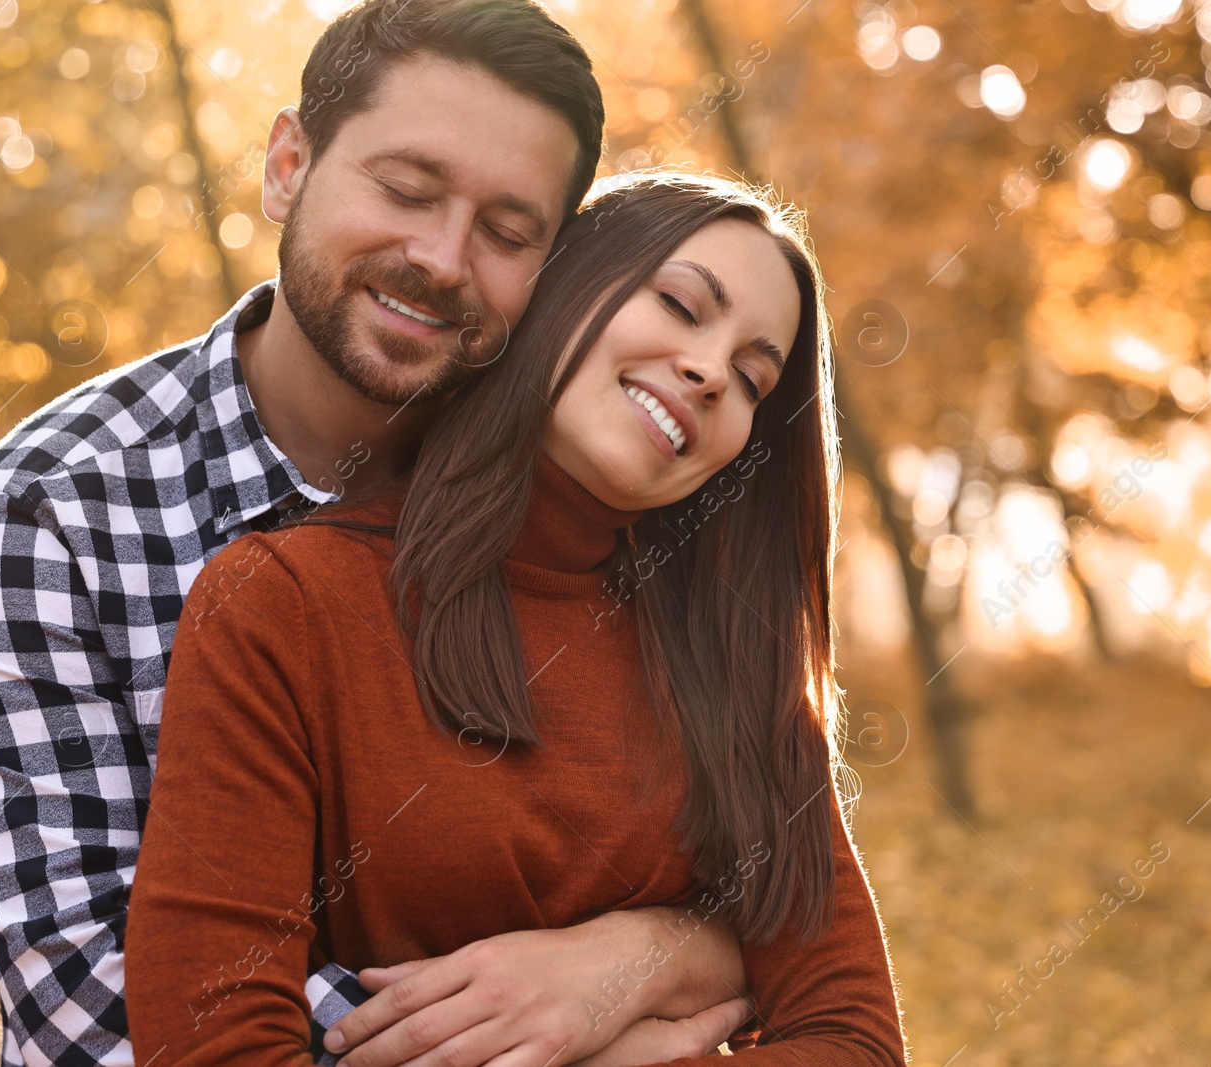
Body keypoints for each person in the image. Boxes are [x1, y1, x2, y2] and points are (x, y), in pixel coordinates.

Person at [0, 3, 753, 1064]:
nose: (442, 257)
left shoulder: (580, 513)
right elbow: (94, 1006)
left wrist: (655, 952)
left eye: (508, 234)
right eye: (406, 191)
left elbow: (775, 904)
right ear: (288, 166)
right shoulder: (53, 511)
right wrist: (555, 1039)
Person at [125, 171, 908, 1067]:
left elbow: (857, 1043)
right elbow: (212, 1049)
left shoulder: (735, 668)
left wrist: (642, 966)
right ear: (563, 287)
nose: (707, 373)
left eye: (750, 377)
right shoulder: (281, 608)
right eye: (683, 306)